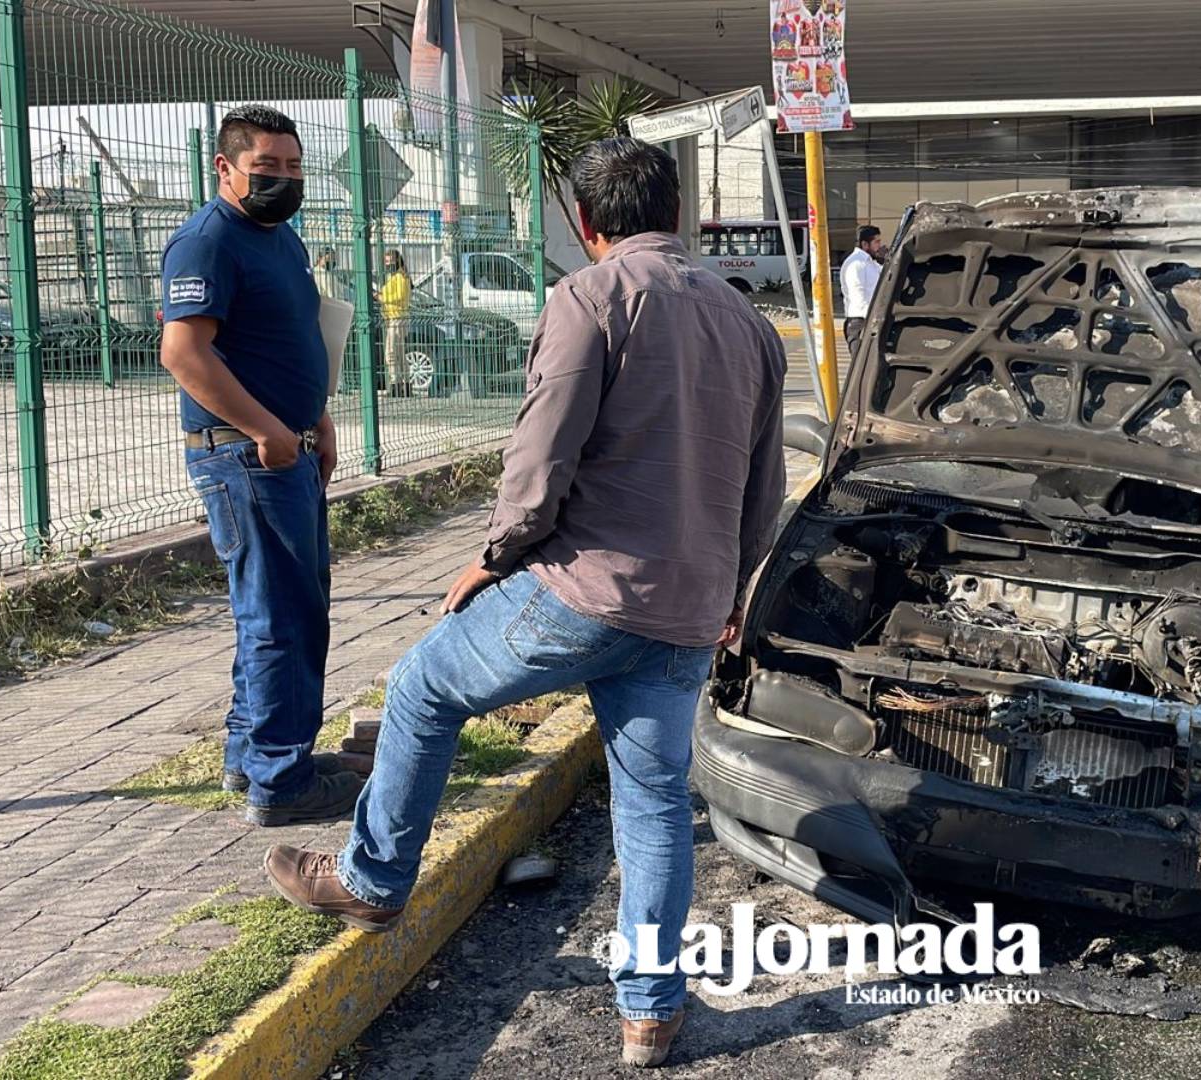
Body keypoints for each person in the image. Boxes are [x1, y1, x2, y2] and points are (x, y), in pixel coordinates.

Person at [262, 137, 788, 1069]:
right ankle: (649, 1016)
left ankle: (372, 879)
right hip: (689, 610)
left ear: (586, 225)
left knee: (425, 684)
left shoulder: (589, 298)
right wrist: (736, 592)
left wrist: (493, 556)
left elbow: (541, 459)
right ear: (680, 216)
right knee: (657, 805)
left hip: (586, 592)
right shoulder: (745, 321)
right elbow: (763, 483)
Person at [158, 105, 360, 826]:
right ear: (225, 168)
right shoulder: (208, 242)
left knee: (281, 612)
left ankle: (258, 760)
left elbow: (291, 338)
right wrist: (269, 430)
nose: (283, 180)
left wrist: (318, 418)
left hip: (285, 448)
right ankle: (283, 781)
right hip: (247, 458)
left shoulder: (279, 238)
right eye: (266, 169)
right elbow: (183, 354)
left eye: (294, 167)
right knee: (281, 617)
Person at [840, 224, 884, 356]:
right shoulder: (855, 264)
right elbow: (859, 298)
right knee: (861, 366)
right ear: (865, 244)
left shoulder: (870, 262)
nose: (879, 245)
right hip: (860, 322)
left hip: (869, 320)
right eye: (876, 242)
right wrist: (874, 319)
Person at [379, 250, 412, 395]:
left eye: (391, 261)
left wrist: (380, 297)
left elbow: (398, 296)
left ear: (397, 261)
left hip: (398, 318)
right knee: (399, 353)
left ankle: (396, 384)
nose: (388, 264)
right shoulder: (395, 277)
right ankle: (405, 384)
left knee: (391, 353)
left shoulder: (400, 277)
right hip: (393, 318)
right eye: (386, 262)